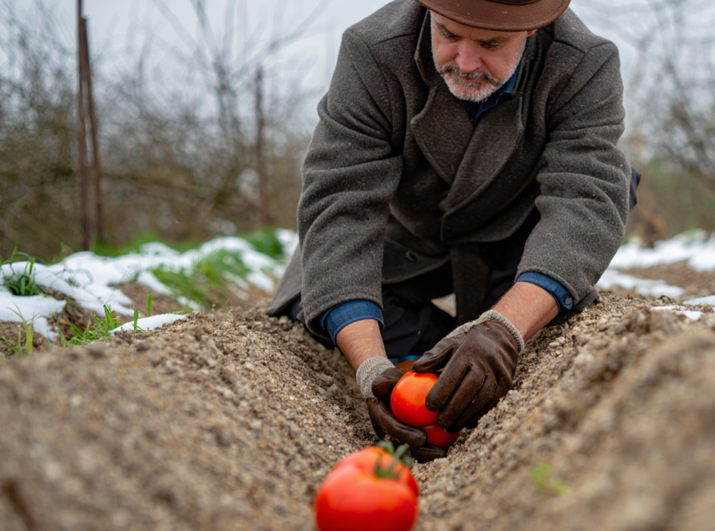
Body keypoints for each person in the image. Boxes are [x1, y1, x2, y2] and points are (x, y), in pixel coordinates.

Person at [266, 0, 638, 461]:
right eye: (447, 34)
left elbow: (585, 199)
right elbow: (340, 205)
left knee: (549, 323)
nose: (464, 62)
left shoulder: (583, 61)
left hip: (519, 237)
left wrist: (505, 329)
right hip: (410, 236)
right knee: (316, 301)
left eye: (490, 43)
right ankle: (434, 347)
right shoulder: (373, 50)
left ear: (534, 29)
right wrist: (371, 369)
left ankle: (500, 325)